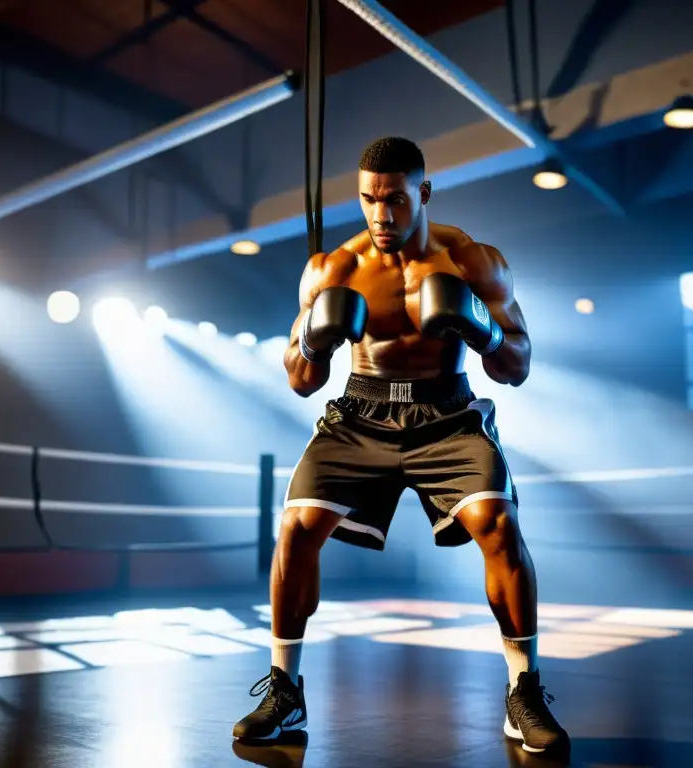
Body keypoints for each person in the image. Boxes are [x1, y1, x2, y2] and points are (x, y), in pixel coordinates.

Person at [233, 137, 568, 754]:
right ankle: (285, 691)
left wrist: (482, 328)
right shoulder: (333, 268)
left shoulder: (473, 261)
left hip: (448, 411)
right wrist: (314, 340)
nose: (380, 216)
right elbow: (299, 380)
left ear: (424, 192)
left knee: (498, 523)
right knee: (297, 527)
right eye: (367, 200)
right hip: (360, 412)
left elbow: (517, 366)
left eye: (393, 200)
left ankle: (524, 693)